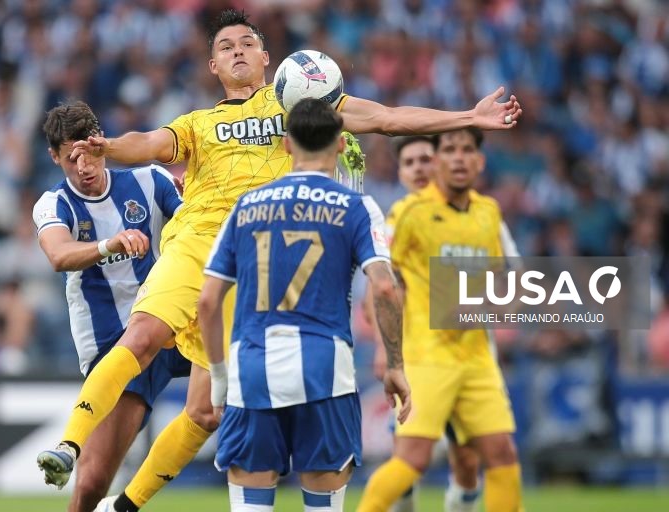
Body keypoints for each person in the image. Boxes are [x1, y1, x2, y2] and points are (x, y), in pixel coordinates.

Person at [38, 9, 522, 509]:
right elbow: (151, 143)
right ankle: (67, 445)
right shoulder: (199, 124)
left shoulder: (298, 102)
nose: (238, 51)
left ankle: (125, 506)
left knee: (206, 412)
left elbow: (384, 118)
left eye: (247, 42)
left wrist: (469, 116)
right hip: (202, 239)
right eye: (226, 47)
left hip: (261, 263)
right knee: (142, 337)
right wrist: (110, 146)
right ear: (213, 67)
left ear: (268, 58)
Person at [199, 97, 410, 512]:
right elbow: (385, 289)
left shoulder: (245, 206)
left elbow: (208, 300)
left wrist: (220, 378)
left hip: (253, 369)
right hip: (325, 372)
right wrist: (397, 364)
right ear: (339, 145)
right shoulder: (357, 207)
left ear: (286, 145)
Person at [32, 102, 192, 511]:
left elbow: (195, 222)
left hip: (171, 320)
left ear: (101, 139)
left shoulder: (151, 180)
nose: (84, 166)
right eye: (71, 158)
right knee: (92, 483)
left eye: (90, 152)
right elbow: (58, 255)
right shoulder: (54, 205)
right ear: (55, 157)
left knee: (225, 391)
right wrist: (110, 244)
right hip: (114, 341)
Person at [357, 127, 524, 512]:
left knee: (499, 454)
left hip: (478, 357)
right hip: (426, 355)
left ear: (480, 162)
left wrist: (503, 300)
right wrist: (386, 347)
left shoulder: (489, 212)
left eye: (468, 151)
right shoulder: (410, 214)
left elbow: (507, 276)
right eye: (450, 150)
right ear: (439, 162)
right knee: (412, 458)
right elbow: (380, 279)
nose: (459, 158)